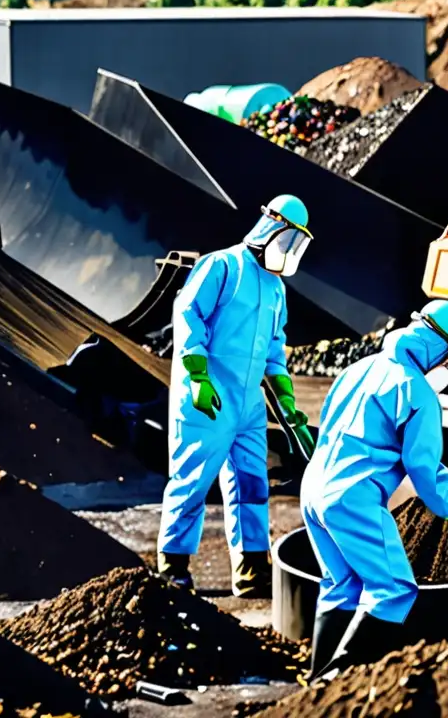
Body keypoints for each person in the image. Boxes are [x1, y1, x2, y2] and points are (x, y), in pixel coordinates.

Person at [299, 299, 448, 679]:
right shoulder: (417, 392)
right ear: (438, 347)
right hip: (353, 497)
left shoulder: (360, 368)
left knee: (341, 585)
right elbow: (424, 467)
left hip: (314, 489)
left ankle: (315, 682)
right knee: (394, 590)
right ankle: (338, 683)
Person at [157, 194, 316, 598]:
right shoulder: (223, 266)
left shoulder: (276, 290)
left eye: (296, 242)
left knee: (251, 484)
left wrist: (290, 409)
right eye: (288, 238)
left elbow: (274, 352)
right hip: (207, 398)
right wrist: (196, 375)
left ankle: (251, 571)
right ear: (269, 227)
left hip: (247, 406)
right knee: (192, 480)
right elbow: (188, 313)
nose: (289, 249)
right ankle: (173, 566)